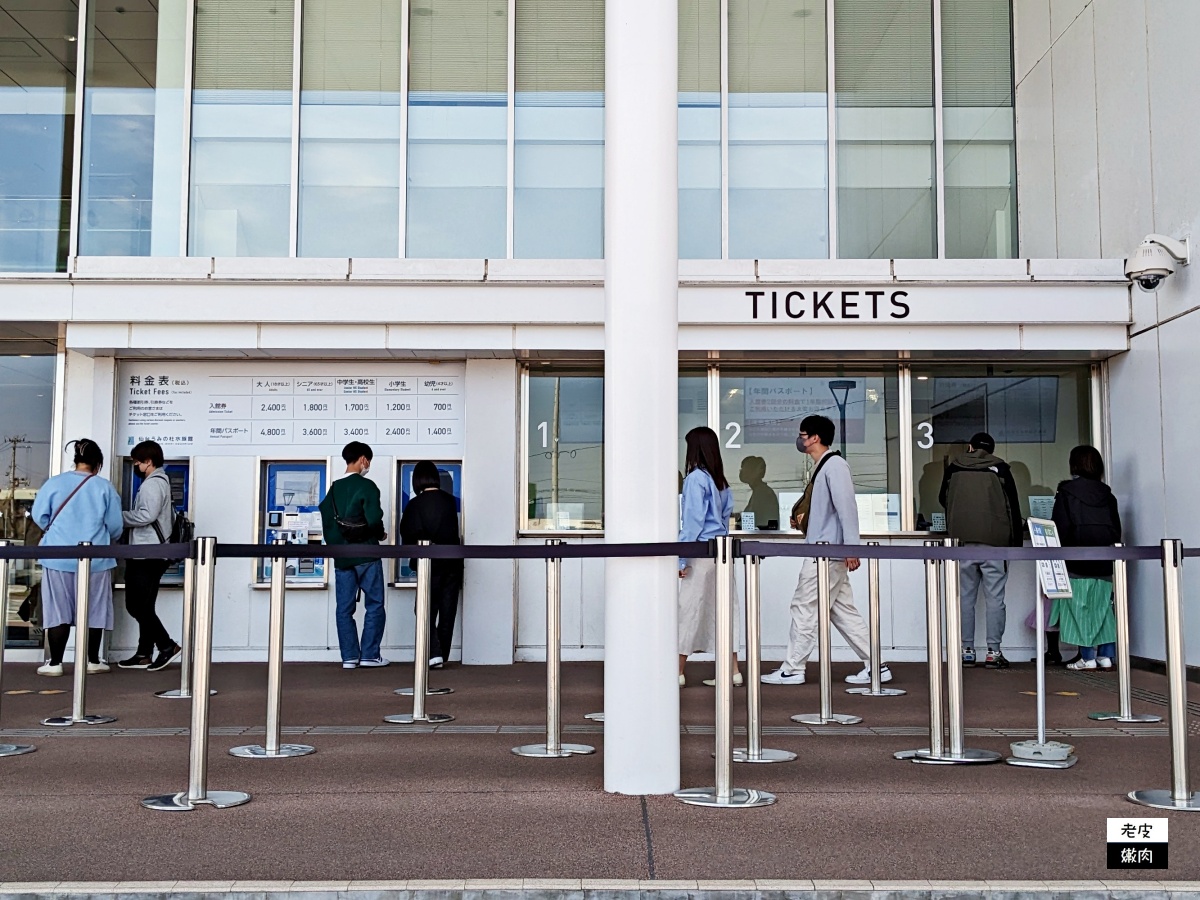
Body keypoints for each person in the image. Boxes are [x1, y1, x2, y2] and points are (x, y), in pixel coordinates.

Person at [762, 415, 889, 686]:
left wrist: (852, 548)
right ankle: (876, 665)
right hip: (829, 551)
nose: (800, 439)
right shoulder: (826, 466)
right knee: (841, 610)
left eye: (803, 434)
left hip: (826, 553)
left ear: (815, 437)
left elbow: (847, 508)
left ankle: (793, 668)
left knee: (804, 606)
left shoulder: (834, 466)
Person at [31, 438, 124, 676]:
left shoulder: (54, 484)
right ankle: (92, 660)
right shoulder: (104, 487)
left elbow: (40, 516)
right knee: (95, 609)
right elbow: (115, 526)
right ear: (97, 463)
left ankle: (55, 663)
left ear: (76, 460)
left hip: (57, 556)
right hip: (96, 559)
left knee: (58, 610)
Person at [939, 431, 1023, 669]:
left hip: (962, 541)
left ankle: (966, 650)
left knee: (965, 598)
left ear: (970, 447)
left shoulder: (954, 468)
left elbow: (942, 498)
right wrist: (1015, 544)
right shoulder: (1000, 469)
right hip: (995, 544)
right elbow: (1013, 508)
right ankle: (993, 652)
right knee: (995, 598)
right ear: (991, 450)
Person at [677, 426, 740, 688]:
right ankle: (732, 670)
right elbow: (724, 520)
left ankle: (677, 670)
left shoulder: (695, 479)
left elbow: (692, 523)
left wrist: (680, 558)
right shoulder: (721, 482)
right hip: (722, 553)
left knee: (689, 609)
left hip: (700, 553)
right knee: (725, 611)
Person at [1050, 445, 1121, 670]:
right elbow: (1116, 529)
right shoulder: (1108, 495)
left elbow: (1058, 529)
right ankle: (1106, 655)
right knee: (1103, 609)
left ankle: (1087, 656)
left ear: (1074, 465)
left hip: (1076, 559)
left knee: (1078, 609)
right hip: (1104, 560)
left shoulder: (1067, 493)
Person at [318, 441, 388, 669]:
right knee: (375, 604)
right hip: (367, 554)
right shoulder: (367, 486)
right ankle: (369, 654)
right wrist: (381, 534)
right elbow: (375, 519)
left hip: (342, 557)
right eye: (369, 461)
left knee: (344, 608)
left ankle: (349, 656)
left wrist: (338, 545)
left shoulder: (334, 489)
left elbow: (326, 518)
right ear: (363, 459)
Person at [118, 440, 181, 671]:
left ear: (149, 461)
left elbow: (147, 515)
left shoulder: (152, 484)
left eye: (137, 461)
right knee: (145, 605)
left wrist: (119, 517)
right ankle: (144, 652)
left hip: (147, 553)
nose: (135, 465)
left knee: (136, 606)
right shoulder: (159, 481)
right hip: (153, 552)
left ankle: (167, 646)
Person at [399, 461, 463, 669]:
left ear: (417, 480)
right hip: (452, 564)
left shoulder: (415, 504)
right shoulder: (449, 502)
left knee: (424, 608)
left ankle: (433, 652)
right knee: (447, 611)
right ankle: (441, 655)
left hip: (429, 565)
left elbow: (406, 533)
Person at [738, 455, 779, 529]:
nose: (741, 471)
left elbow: (766, 525)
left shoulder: (764, 494)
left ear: (753, 471)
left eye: (744, 468)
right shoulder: (758, 492)